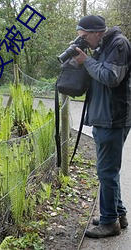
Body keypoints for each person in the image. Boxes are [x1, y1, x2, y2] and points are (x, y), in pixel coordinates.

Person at [73, 15, 131, 238]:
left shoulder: (119, 44)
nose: (84, 41)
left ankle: (109, 223)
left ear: (97, 32)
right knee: (108, 171)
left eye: (85, 37)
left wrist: (86, 61)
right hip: (103, 117)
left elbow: (110, 77)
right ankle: (118, 214)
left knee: (106, 171)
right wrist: (83, 60)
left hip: (113, 118)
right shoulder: (102, 46)